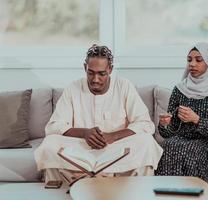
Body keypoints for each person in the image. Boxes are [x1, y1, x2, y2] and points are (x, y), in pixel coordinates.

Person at [35, 44, 163, 184]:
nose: (95, 79)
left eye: (101, 74)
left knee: (146, 142)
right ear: (85, 68)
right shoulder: (73, 88)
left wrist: (112, 136)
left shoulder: (124, 86)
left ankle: (133, 191)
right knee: (49, 144)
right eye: (91, 73)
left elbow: (145, 124)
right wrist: (84, 133)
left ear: (110, 69)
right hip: (81, 150)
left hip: (116, 150)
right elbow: (54, 126)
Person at [155, 42, 208, 184]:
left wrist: (197, 119)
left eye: (198, 59)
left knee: (192, 150)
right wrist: (164, 124)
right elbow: (169, 133)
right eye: (189, 59)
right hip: (182, 139)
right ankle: (168, 195)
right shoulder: (180, 89)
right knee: (168, 146)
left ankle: (196, 195)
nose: (192, 64)